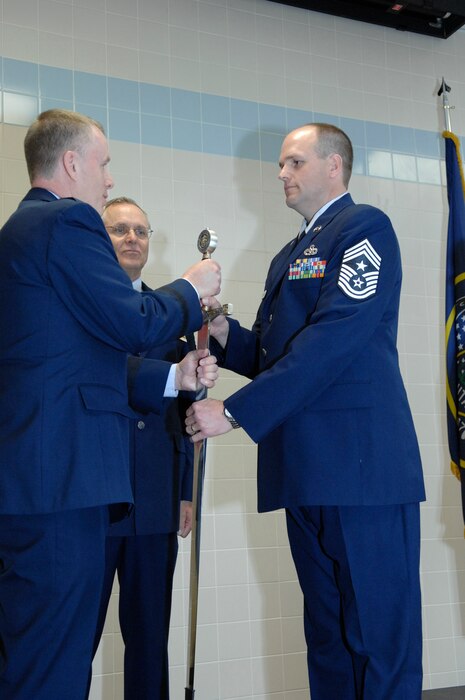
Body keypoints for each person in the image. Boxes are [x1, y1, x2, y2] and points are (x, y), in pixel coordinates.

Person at [185, 123, 425, 699]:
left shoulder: (365, 228)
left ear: (333, 166)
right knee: (328, 638)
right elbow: (277, 354)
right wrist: (222, 332)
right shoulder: (287, 255)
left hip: (361, 469)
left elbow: (335, 340)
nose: (281, 174)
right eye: (281, 164)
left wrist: (235, 413)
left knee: (378, 638)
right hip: (306, 470)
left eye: (294, 162)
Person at [0, 108, 220, 700]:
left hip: (38, 480)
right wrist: (192, 289)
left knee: (34, 655)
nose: (109, 179)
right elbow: (132, 322)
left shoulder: (23, 232)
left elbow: (83, 356)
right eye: (104, 164)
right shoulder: (67, 221)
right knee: (53, 664)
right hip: (60, 482)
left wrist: (171, 375)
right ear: (72, 163)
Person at [89, 197, 194, 700]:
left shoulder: (171, 314)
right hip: (93, 500)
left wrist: (186, 490)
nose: (133, 238)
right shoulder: (81, 303)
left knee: (150, 641)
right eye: (119, 229)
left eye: (142, 231)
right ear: (98, 238)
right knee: (74, 640)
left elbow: (187, 409)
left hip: (155, 500)